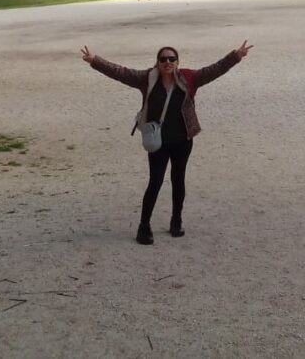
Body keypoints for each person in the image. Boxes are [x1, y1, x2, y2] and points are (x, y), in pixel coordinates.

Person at [80, 40, 253, 245]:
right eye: (163, 59)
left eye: (172, 59)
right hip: (158, 142)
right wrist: (95, 61)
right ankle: (144, 226)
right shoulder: (147, 79)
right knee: (155, 182)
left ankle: (176, 220)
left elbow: (214, 70)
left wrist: (235, 56)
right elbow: (121, 72)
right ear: (157, 62)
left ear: (177, 62)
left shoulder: (189, 78)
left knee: (178, 180)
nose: (167, 62)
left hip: (183, 140)